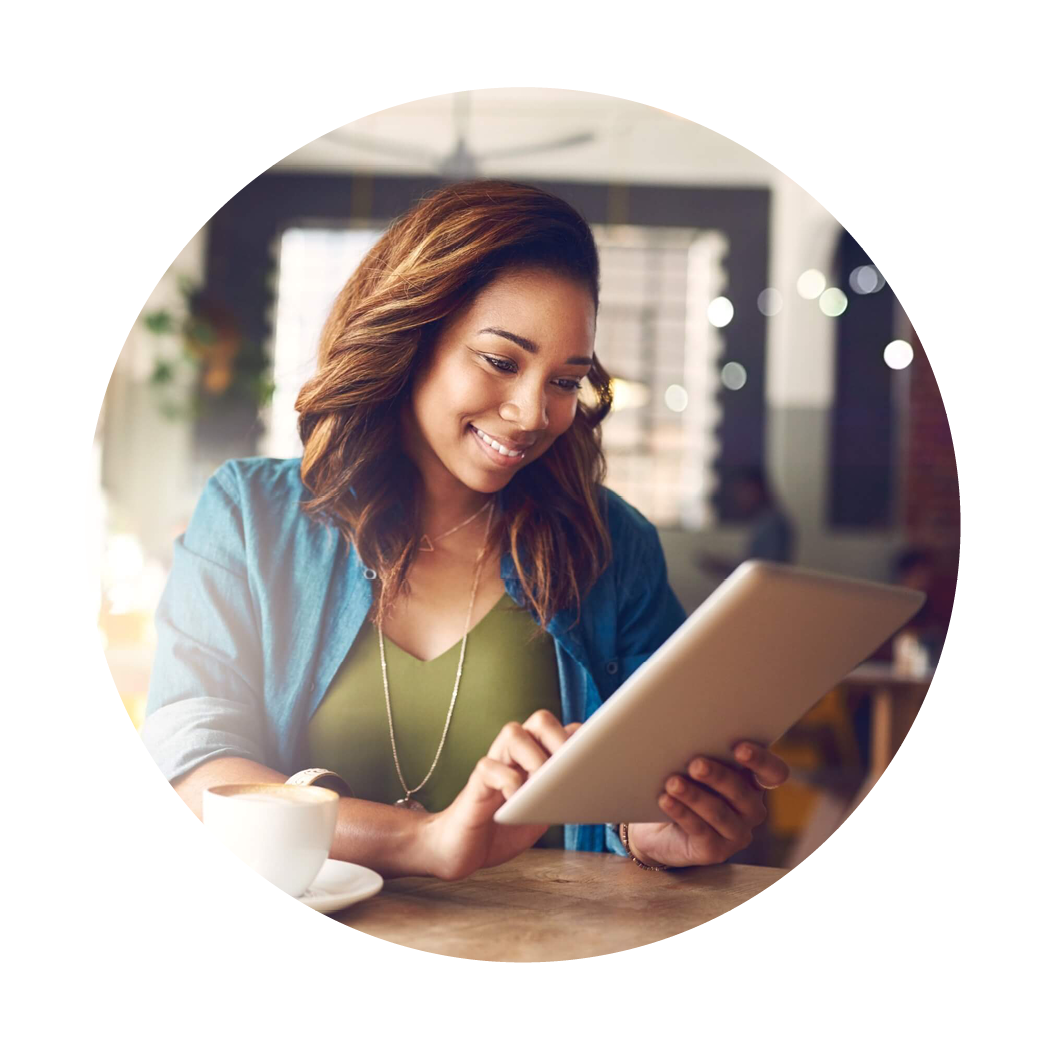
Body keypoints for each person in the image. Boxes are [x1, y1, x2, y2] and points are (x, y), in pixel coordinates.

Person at [141, 180, 789, 880]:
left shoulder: (612, 547)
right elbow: (192, 768)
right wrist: (420, 840)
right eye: (502, 361)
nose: (533, 412)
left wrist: (658, 830)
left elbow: (639, 797)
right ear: (410, 339)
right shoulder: (249, 517)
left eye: (566, 381)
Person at [698, 466, 794, 578]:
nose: (740, 498)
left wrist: (725, 567)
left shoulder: (772, 524)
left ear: (757, 489)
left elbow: (766, 569)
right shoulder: (762, 521)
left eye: (743, 491)